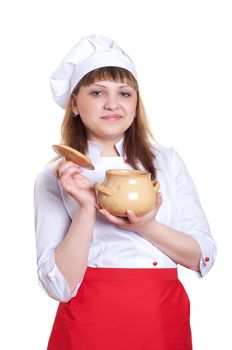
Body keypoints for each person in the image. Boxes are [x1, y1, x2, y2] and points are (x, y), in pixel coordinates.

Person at [34, 35, 216, 350]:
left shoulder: (166, 162)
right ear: (75, 104)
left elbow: (202, 255)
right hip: (89, 324)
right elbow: (58, 286)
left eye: (124, 93)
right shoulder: (57, 176)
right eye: (97, 92)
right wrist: (87, 208)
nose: (113, 104)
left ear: (136, 102)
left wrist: (145, 225)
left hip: (161, 318)